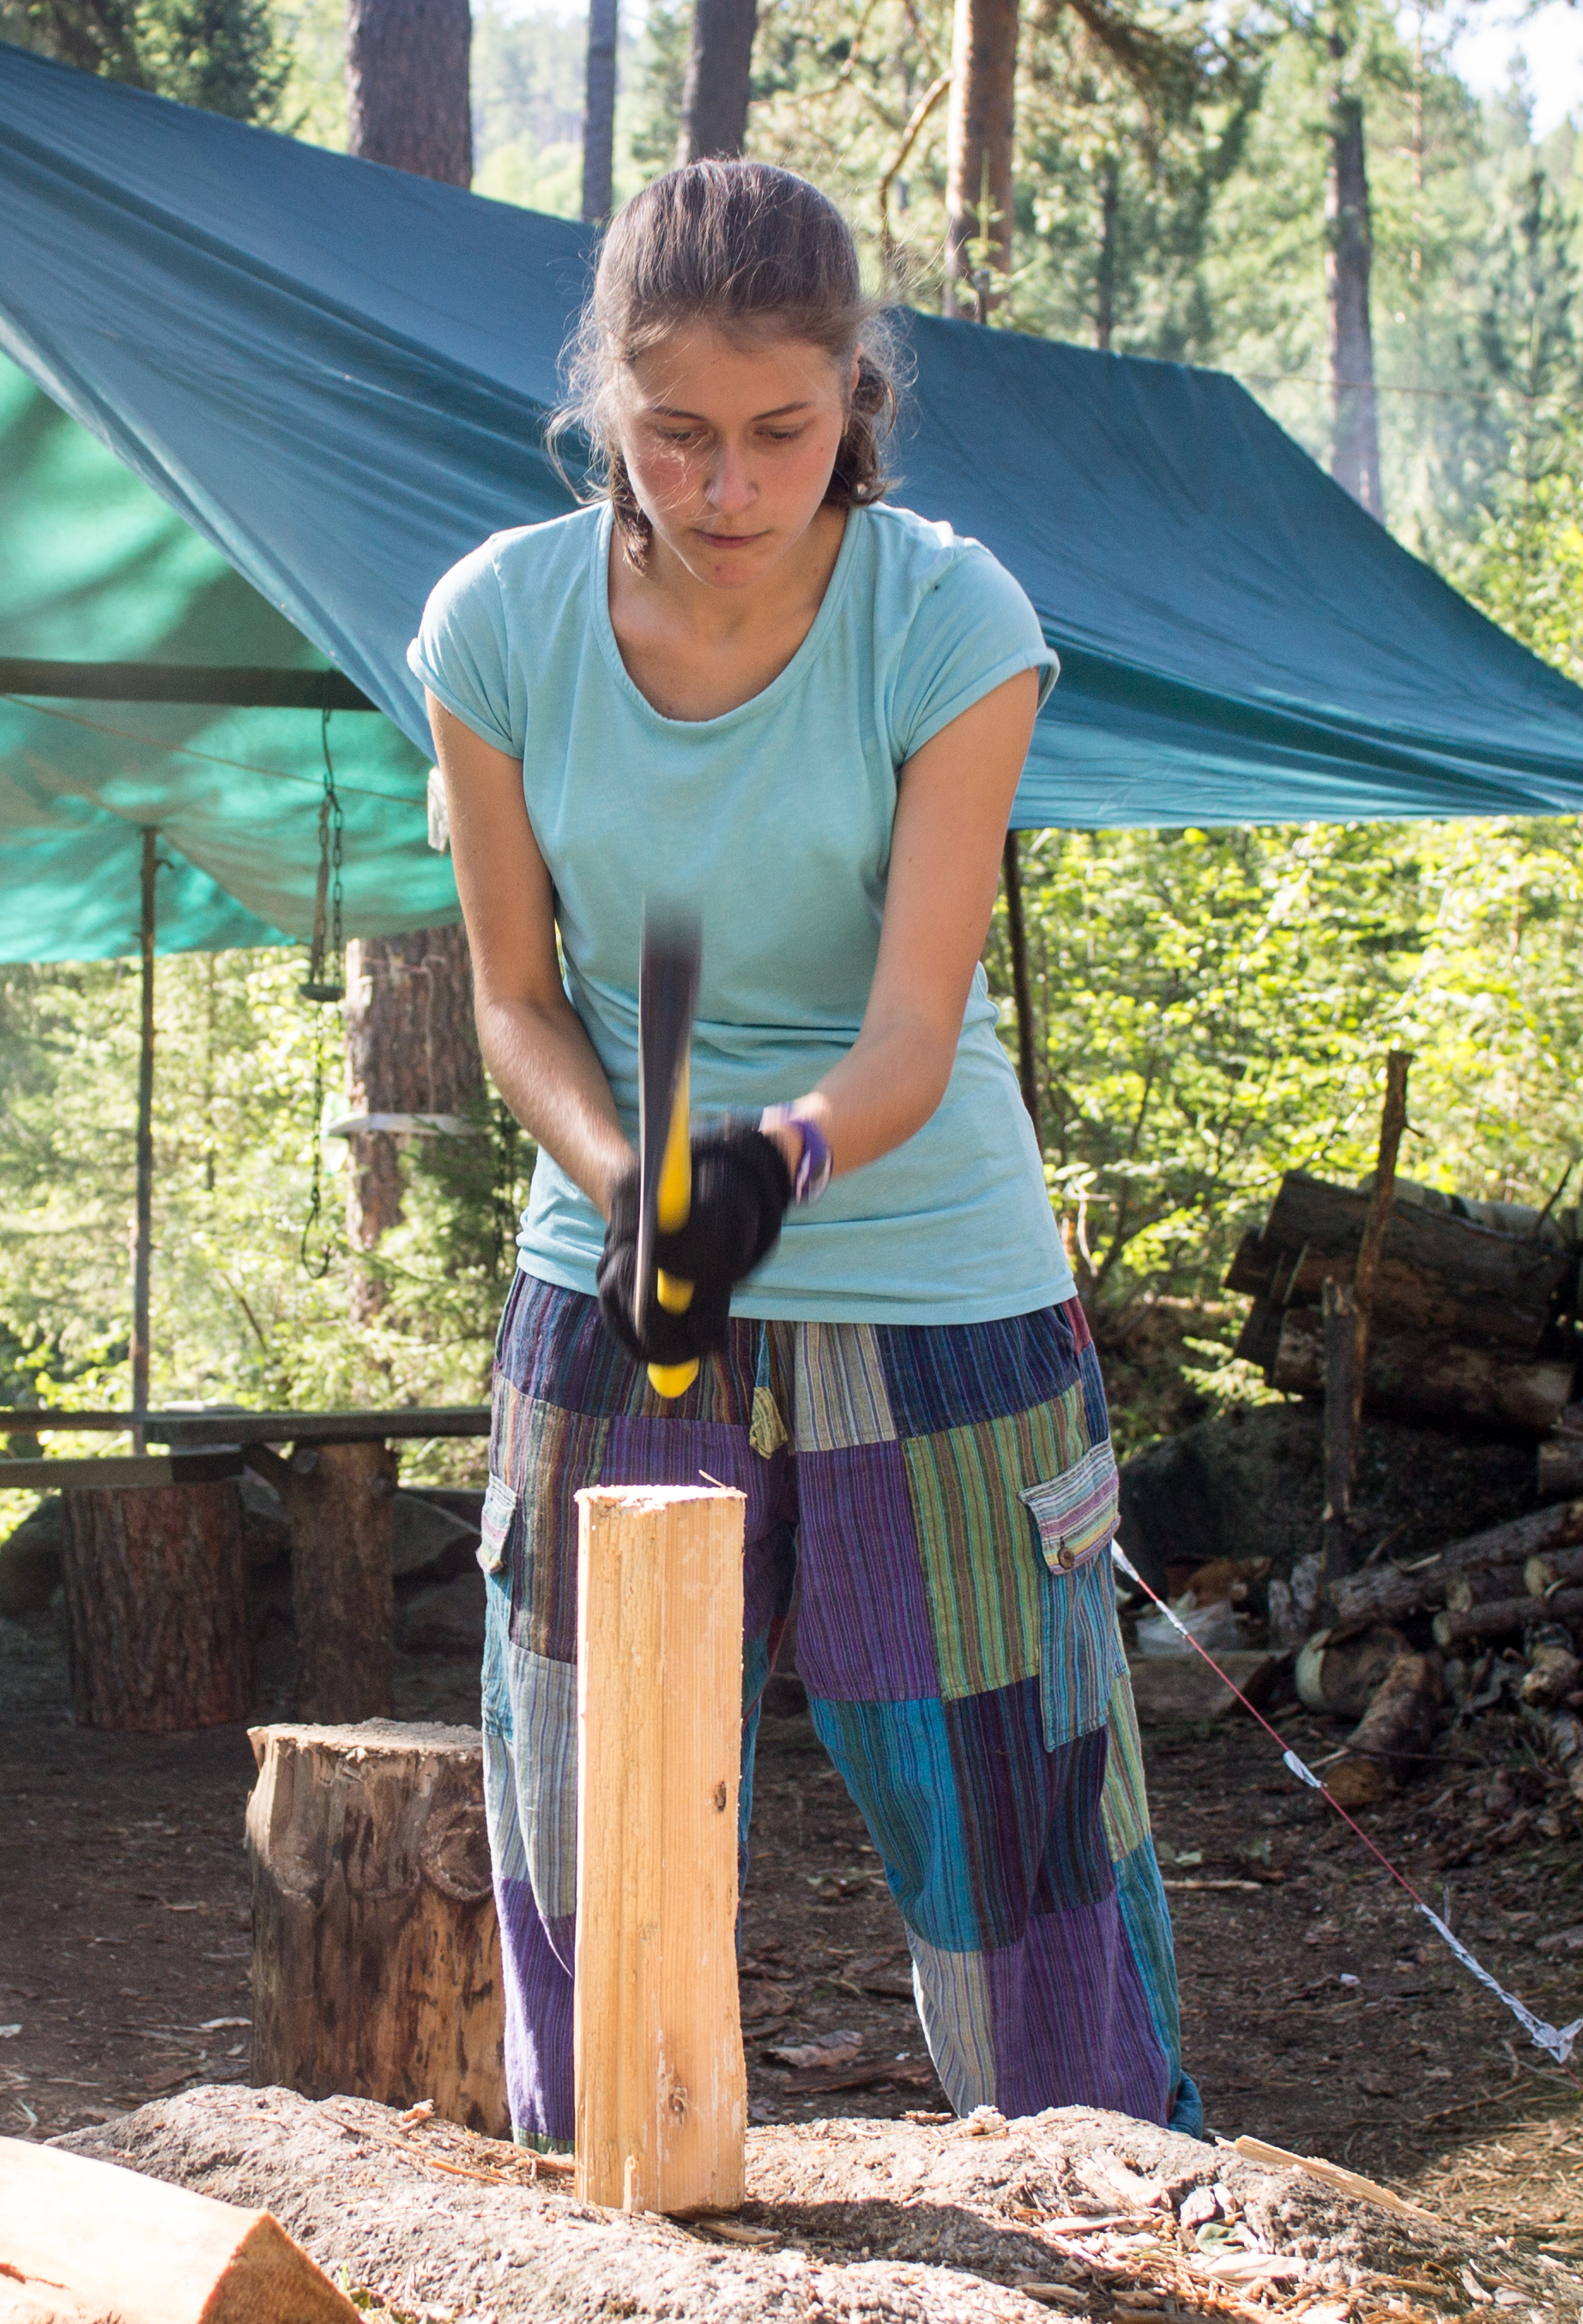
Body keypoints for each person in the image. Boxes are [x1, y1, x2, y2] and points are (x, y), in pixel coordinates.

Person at [410, 159, 1202, 2148]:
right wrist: (630, 1183)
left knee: (1017, 1849)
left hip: (933, 1304)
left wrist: (760, 1168)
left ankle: (1131, 2248)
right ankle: (609, 2282)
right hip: (610, 1300)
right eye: (677, 433)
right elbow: (514, 998)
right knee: (596, 1844)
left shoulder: (951, 616)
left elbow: (913, 1032)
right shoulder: (494, 625)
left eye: (784, 430)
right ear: (605, 397)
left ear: (857, 394)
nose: (730, 485)